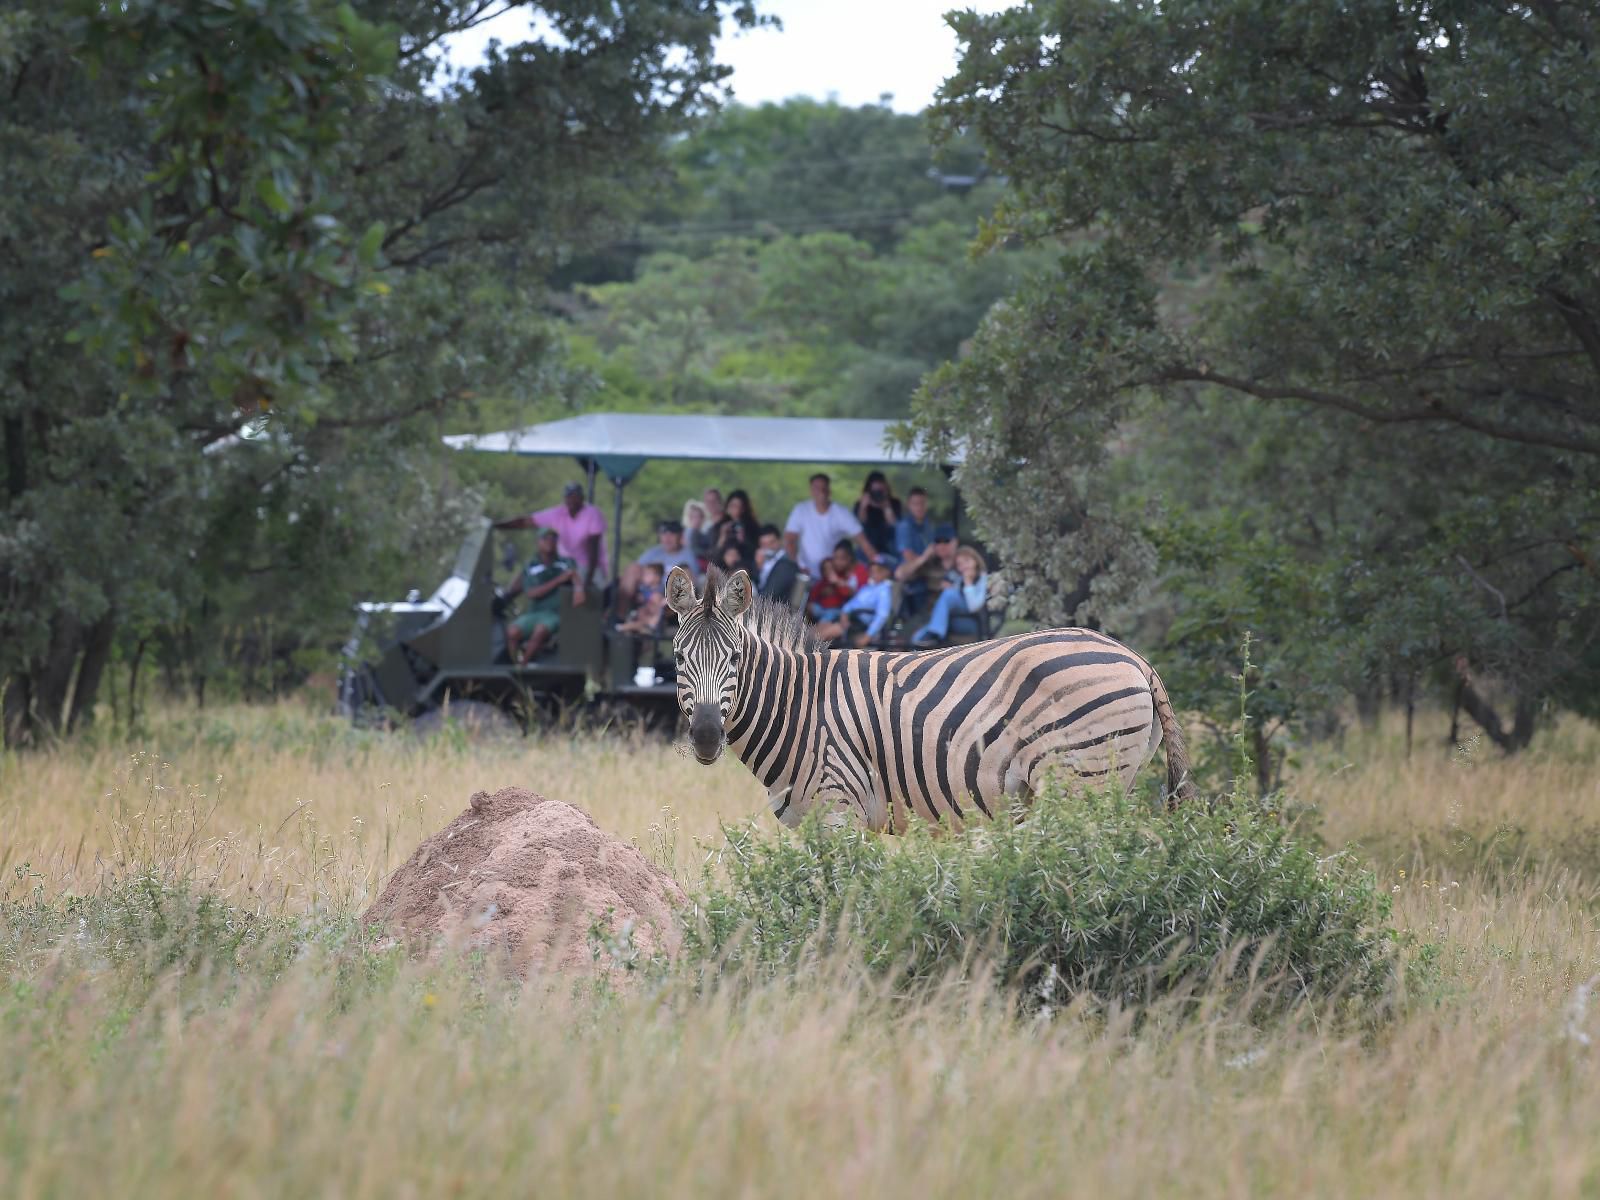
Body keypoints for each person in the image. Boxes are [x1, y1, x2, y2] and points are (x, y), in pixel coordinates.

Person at [495, 481, 608, 591]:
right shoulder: (559, 513)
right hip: (565, 564)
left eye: (575, 496)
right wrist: (495, 525)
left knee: (591, 593)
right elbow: (525, 522)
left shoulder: (592, 513)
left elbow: (594, 552)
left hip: (587, 565)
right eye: (569, 496)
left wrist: (587, 583)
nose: (572, 500)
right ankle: (505, 598)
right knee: (530, 573)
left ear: (582, 498)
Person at [505, 527, 582, 665]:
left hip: (555, 614)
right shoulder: (531, 566)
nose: (550, 542)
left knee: (540, 630)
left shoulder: (565, 563)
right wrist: (558, 580)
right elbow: (532, 593)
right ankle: (515, 663)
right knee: (512, 631)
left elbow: (575, 575)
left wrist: (578, 590)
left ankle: (523, 666)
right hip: (534, 613)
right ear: (538, 542)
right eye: (545, 539)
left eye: (553, 539)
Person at [784, 473, 875, 577]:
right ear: (811, 491)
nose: (821, 491)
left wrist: (877, 563)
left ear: (829, 490)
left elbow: (863, 541)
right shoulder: (801, 510)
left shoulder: (841, 512)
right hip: (805, 572)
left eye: (824, 488)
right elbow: (789, 540)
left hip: (834, 575)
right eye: (817, 488)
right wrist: (797, 566)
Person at [911, 544, 988, 647]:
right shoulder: (959, 579)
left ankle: (935, 633)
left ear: (976, 561)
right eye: (959, 564)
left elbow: (973, 607)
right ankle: (927, 637)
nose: (964, 566)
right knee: (917, 637)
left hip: (973, 622)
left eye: (967, 561)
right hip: (954, 620)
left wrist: (968, 583)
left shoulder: (983, 579)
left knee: (948, 594)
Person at [812, 556, 896, 648]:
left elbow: (882, 616)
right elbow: (851, 604)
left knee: (820, 635)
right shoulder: (867, 587)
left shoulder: (884, 591)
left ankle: (808, 658)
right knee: (817, 629)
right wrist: (844, 613)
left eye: (878, 569)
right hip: (849, 619)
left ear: (887, 572)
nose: (873, 571)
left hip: (860, 624)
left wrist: (868, 635)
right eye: (872, 568)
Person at [619, 520, 700, 614]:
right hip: (645, 592)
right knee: (633, 568)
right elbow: (634, 571)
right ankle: (618, 617)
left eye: (672, 534)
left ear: (680, 536)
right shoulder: (654, 552)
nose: (667, 538)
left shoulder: (687, 555)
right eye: (664, 534)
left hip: (669, 598)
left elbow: (691, 584)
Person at [896, 518, 957, 617]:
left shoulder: (964, 561)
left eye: (946, 541)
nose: (941, 545)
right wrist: (923, 558)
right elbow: (900, 574)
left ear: (955, 542)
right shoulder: (930, 564)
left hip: (958, 616)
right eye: (938, 541)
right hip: (930, 616)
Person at [808, 538, 867, 622]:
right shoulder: (838, 571)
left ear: (849, 558)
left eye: (841, 559)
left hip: (851, 612)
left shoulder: (860, 572)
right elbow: (822, 585)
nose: (836, 562)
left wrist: (838, 584)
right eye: (835, 558)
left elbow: (856, 595)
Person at [854, 471, 903, 560]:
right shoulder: (861, 504)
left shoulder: (894, 503)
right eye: (875, 491)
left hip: (888, 547)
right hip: (866, 547)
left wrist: (886, 506)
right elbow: (858, 525)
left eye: (880, 491)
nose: (877, 494)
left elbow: (894, 524)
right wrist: (863, 507)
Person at [754, 524, 801, 604]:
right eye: (764, 544)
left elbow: (769, 595)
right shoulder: (762, 561)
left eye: (772, 543)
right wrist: (759, 568)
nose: (768, 547)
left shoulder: (786, 565)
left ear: (780, 541)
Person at [616, 562, 667, 636]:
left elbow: (656, 599)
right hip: (643, 616)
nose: (644, 576)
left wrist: (645, 597)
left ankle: (621, 627)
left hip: (652, 620)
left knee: (643, 623)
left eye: (647, 574)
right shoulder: (645, 588)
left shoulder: (659, 589)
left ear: (657, 577)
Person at [713, 489, 760, 562]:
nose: (733, 509)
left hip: (744, 565)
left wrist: (743, 539)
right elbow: (713, 555)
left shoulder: (752, 527)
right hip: (722, 566)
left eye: (737, 506)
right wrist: (722, 538)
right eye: (732, 505)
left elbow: (755, 551)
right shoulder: (719, 526)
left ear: (743, 509)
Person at [894, 487, 933, 562]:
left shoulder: (928, 525)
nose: (919, 507)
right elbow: (908, 556)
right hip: (910, 571)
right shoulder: (904, 526)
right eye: (915, 504)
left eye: (922, 503)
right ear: (908, 505)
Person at [682, 499, 714, 565]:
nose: (696, 519)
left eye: (699, 516)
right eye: (693, 517)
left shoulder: (705, 533)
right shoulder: (687, 533)